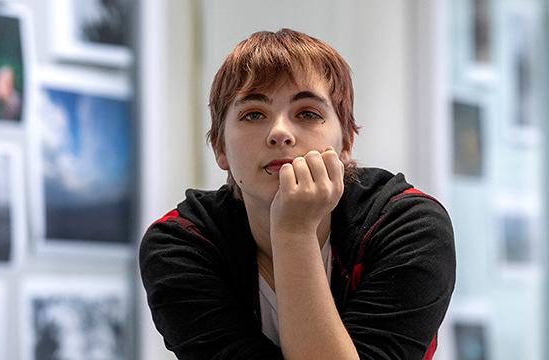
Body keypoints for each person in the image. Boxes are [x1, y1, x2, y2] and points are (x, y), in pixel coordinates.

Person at [139, 28, 455, 360]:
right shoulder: (181, 244)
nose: (280, 133)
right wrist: (294, 231)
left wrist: (294, 231)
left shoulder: (408, 225)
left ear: (346, 142)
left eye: (307, 113)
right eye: (253, 114)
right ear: (220, 148)